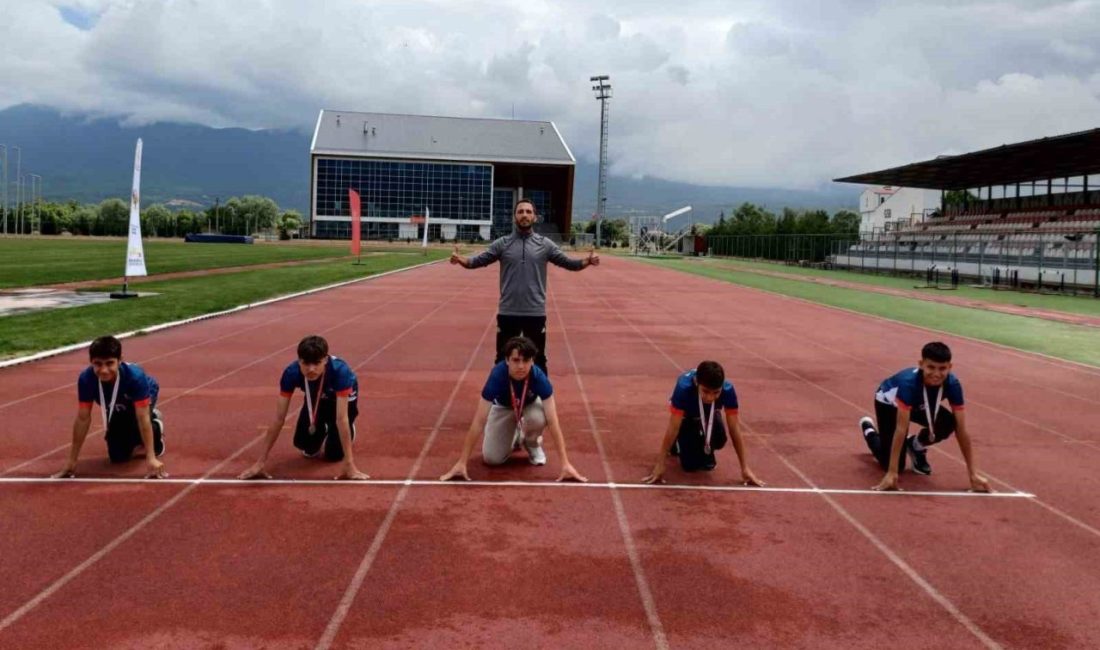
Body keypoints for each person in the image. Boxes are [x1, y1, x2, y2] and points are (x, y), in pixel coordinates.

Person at [450, 198, 599, 374]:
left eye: (528, 212)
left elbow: (569, 264)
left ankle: (540, 396)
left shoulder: (545, 245)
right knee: (502, 357)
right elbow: (477, 262)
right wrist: (460, 260)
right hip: (508, 311)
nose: (524, 215)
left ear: (535, 217)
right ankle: (502, 395)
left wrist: (588, 261)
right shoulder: (502, 244)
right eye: (520, 212)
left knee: (538, 358)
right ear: (515, 217)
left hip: (535, 312)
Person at [440, 336, 586, 482]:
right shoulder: (497, 376)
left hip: (529, 405)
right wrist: (462, 462)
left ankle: (531, 443)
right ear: (507, 360)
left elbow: (553, 422)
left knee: (538, 418)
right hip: (503, 407)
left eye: (526, 361)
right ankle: (515, 435)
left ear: (532, 361)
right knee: (492, 459)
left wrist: (565, 463)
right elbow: (478, 421)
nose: (521, 366)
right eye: (516, 360)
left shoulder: (539, 377)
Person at [861, 341, 990, 492]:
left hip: (921, 404)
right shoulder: (908, 384)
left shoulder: (953, 384)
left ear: (950, 367)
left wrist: (973, 474)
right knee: (893, 464)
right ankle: (869, 430)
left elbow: (961, 431)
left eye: (942, 368)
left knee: (949, 423)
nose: (936, 374)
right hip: (889, 404)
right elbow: (901, 428)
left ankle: (915, 445)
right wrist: (892, 472)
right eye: (931, 367)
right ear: (921, 364)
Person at [239, 335, 368, 480]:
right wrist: (260, 462)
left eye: (316, 363)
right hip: (315, 399)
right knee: (305, 446)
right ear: (299, 360)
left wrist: (349, 464)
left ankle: (349, 430)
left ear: (325, 360)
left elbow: (341, 418)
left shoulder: (341, 372)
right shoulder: (291, 373)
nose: (311, 369)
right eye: (306, 363)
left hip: (340, 400)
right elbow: (279, 418)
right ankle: (321, 428)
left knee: (333, 454)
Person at [53, 335, 167, 479]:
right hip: (115, 403)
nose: (104, 370)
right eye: (98, 364)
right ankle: (135, 439)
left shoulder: (135, 378)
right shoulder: (86, 380)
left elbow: (142, 417)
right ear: (91, 362)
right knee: (117, 456)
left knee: (136, 421)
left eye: (109, 363)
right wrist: (72, 461)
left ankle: (155, 425)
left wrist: (150, 458)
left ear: (120, 361)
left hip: (142, 396)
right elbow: (83, 419)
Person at [642, 361, 763, 486]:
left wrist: (744, 467)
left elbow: (734, 428)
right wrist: (660, 463)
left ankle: (702, 444)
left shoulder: (728, 390)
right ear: (696, 383)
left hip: (708, 415)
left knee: (720, 438)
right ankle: (677, 443)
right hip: (686, 417)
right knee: (690, 467)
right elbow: (673, 426)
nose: (710, 398)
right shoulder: (683, 388)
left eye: (716, 392)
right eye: (705, 391)